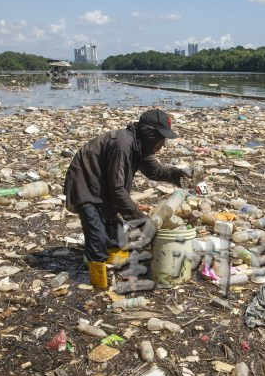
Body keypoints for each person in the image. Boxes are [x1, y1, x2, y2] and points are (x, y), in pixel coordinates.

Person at [64, 108, 191, 288]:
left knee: (115, 233)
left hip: (102, 186)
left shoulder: (139, 146)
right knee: (97, 237)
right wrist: (142, 221)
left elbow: (155, 171)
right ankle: (98, 285)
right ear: (149, 134)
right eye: (160, 138)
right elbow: (117, 190)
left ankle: (116, 267)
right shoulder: (123, 145)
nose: (163, 144)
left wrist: (180, 173)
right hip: (85, 184)